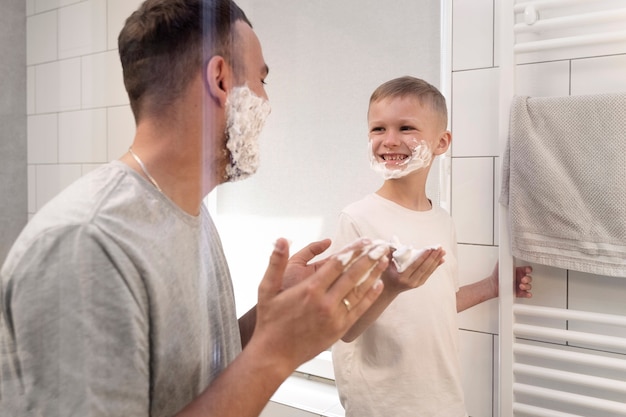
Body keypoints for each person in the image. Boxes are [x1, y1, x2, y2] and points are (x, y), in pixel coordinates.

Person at [0, 1, 391, 416]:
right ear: (220, 80)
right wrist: (276, 354)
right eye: (261, 80)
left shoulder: (190, 214)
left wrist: (268, 319)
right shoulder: (86, 244)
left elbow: (192, 377)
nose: (268, 103)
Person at [330, 76, 533, 417]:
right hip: (383, 406)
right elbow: (342, 327)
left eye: (405, 127)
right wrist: (391, 289)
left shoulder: (441, 221)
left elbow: (437, 303)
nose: (389, 140)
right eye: (378, 129)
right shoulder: (358, 220)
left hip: (444, 401)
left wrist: (492, 286)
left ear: (441, 142)